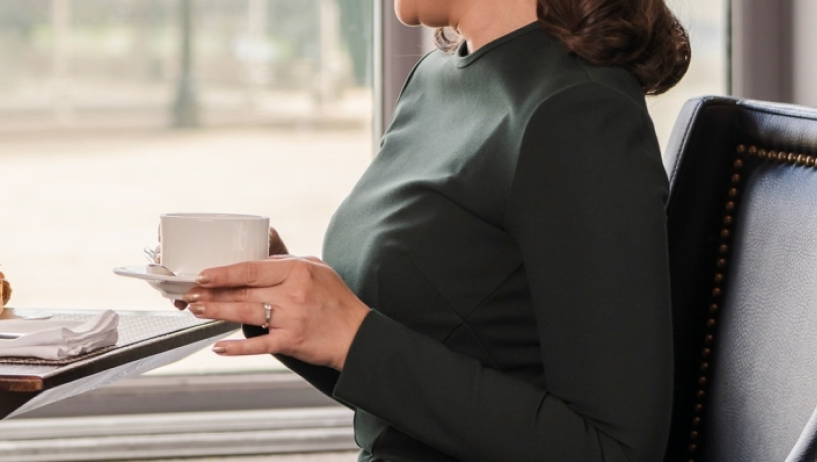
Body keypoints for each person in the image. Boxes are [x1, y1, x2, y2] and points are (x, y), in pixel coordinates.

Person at [180, 0, 689, 459]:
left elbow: (614, 449)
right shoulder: (435, 79)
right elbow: (413, 383)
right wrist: (287, 304)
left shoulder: (580, 113)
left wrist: (353, 337)